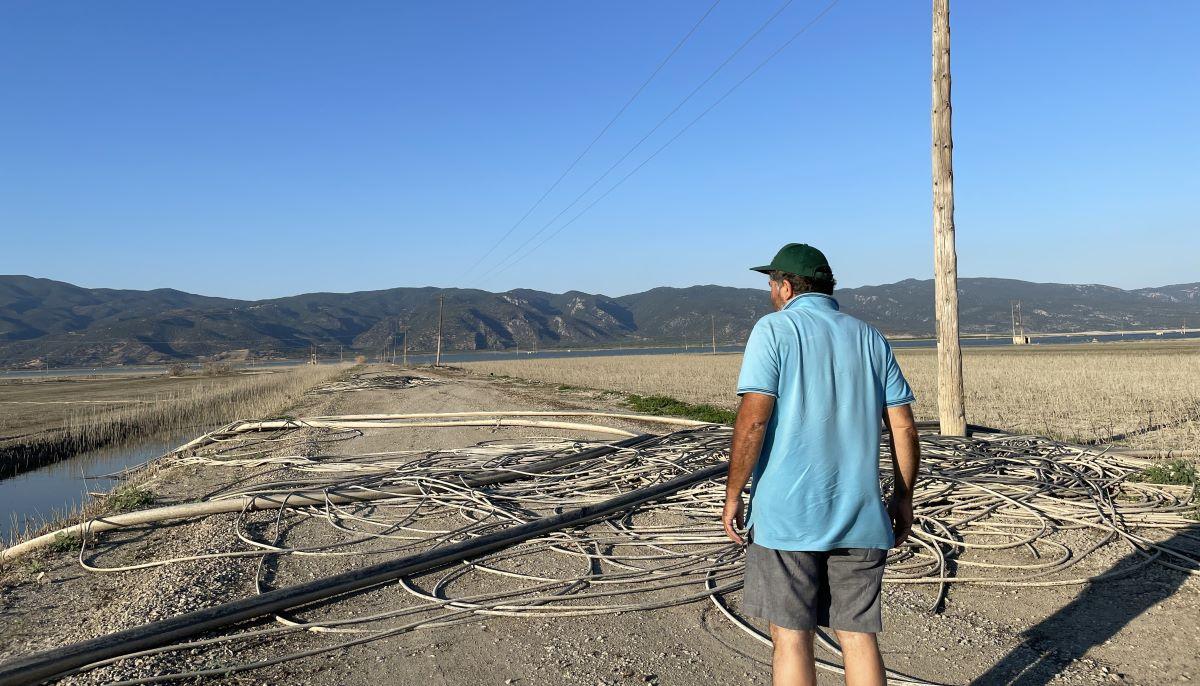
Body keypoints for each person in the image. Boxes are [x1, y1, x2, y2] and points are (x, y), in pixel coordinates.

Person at [722, 243, 921, 686]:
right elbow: (904, 428)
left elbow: (753, 421)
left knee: (792, 637)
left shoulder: (773, 330)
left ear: (787, 286)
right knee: (858, 636)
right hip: (862, 517)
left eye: (772, 283)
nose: (771, 292)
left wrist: (733, 495)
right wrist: (903, 498)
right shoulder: (870, 337)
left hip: (786, 519)